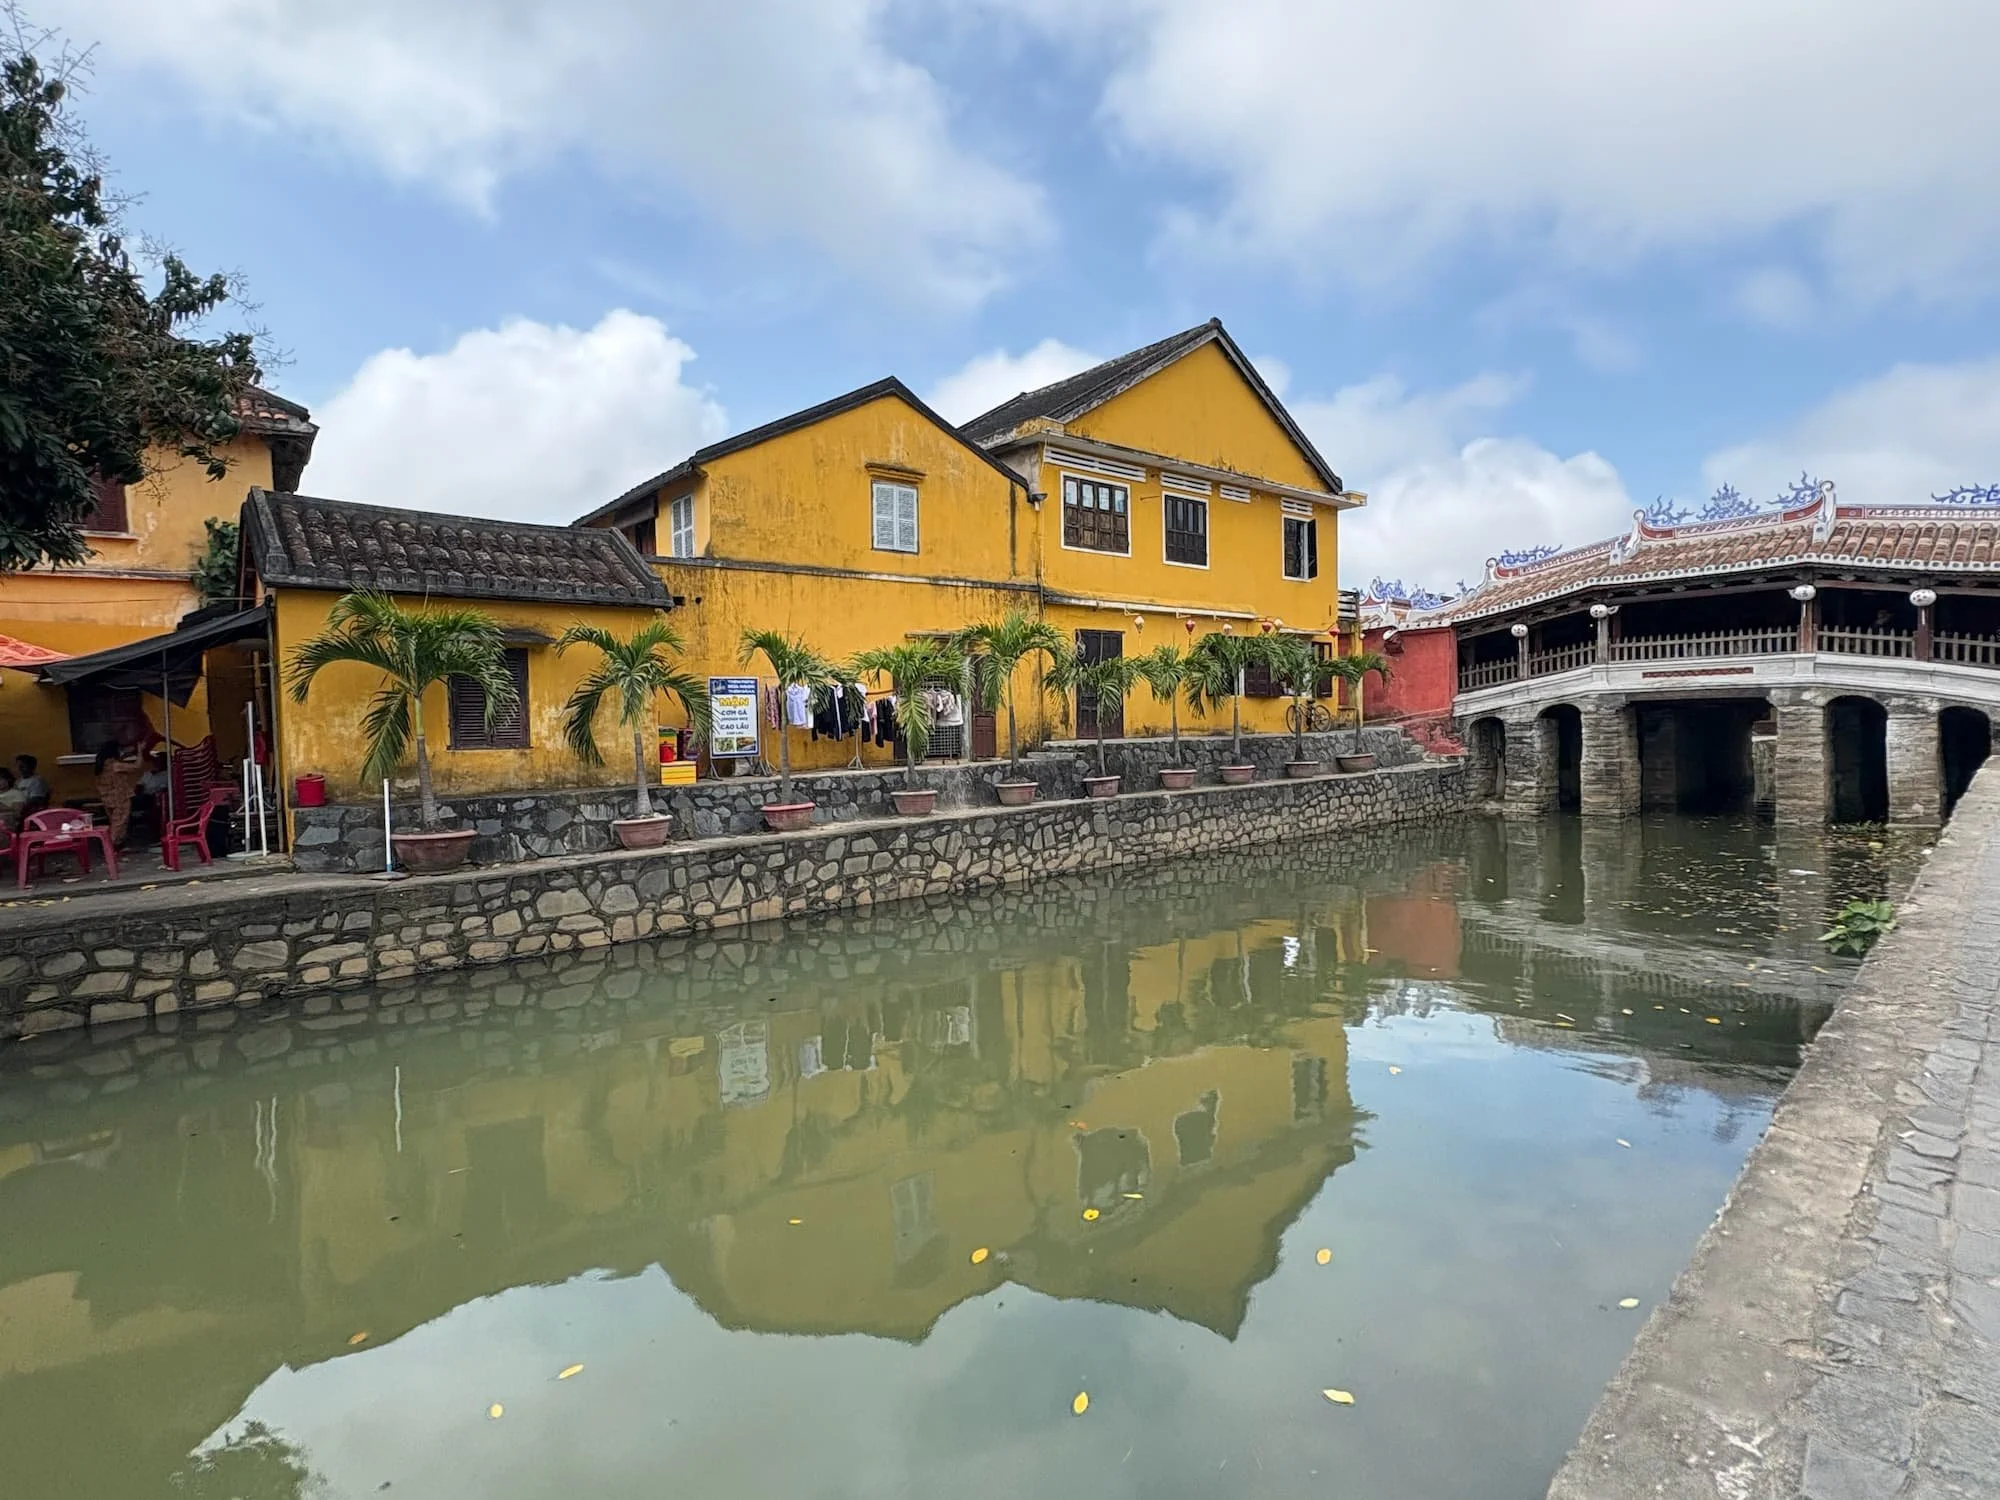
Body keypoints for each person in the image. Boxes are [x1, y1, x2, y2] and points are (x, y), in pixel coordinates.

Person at [93, 741, 143, 847]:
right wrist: (140, 752)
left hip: (107, 798)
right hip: (120, 797)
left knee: (114, 822)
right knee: (119, 824)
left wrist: (128, 753)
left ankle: (116, 845)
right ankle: (111, 846)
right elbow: (137, 766)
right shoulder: (115, 765)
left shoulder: (102, 764)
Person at [0, 768, 26, 832]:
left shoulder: (17, 794)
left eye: (0, 779)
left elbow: (17, 814)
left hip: (8, 824)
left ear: (8, 780)